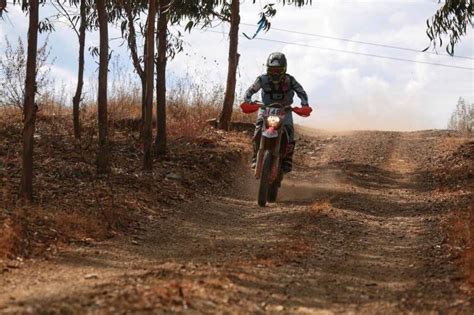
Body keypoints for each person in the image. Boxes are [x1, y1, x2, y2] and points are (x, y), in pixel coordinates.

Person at [243, 52, 311, 173]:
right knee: (258, 127)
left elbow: (301, 92)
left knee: (289, 130)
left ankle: (288, 159)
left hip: (285, 109)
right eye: (272, 70)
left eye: (278, 70)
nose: (275, 72)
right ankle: (255, 156)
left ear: (284, 69)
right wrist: (247, 101)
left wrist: (304, 105)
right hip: (265, 108)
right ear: (268, 69)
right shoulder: (262, 79)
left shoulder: (290, 80)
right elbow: (251, 90)